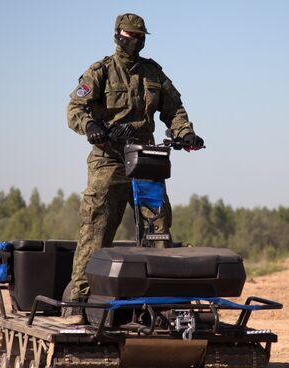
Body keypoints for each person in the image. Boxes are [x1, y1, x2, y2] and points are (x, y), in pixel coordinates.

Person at [64, 13, 204, 324]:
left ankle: (157, 305)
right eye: (129, 36)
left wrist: (185, 133)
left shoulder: (153, 73)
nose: (135, 42)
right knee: (96, 229)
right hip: (108, 159)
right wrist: (90, 127)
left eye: (140, 37)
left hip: (145, 158)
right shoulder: (101, 71)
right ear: (117, 36)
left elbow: (174, 109)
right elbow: (76, 108)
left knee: (157, 231)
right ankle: (80, 302)